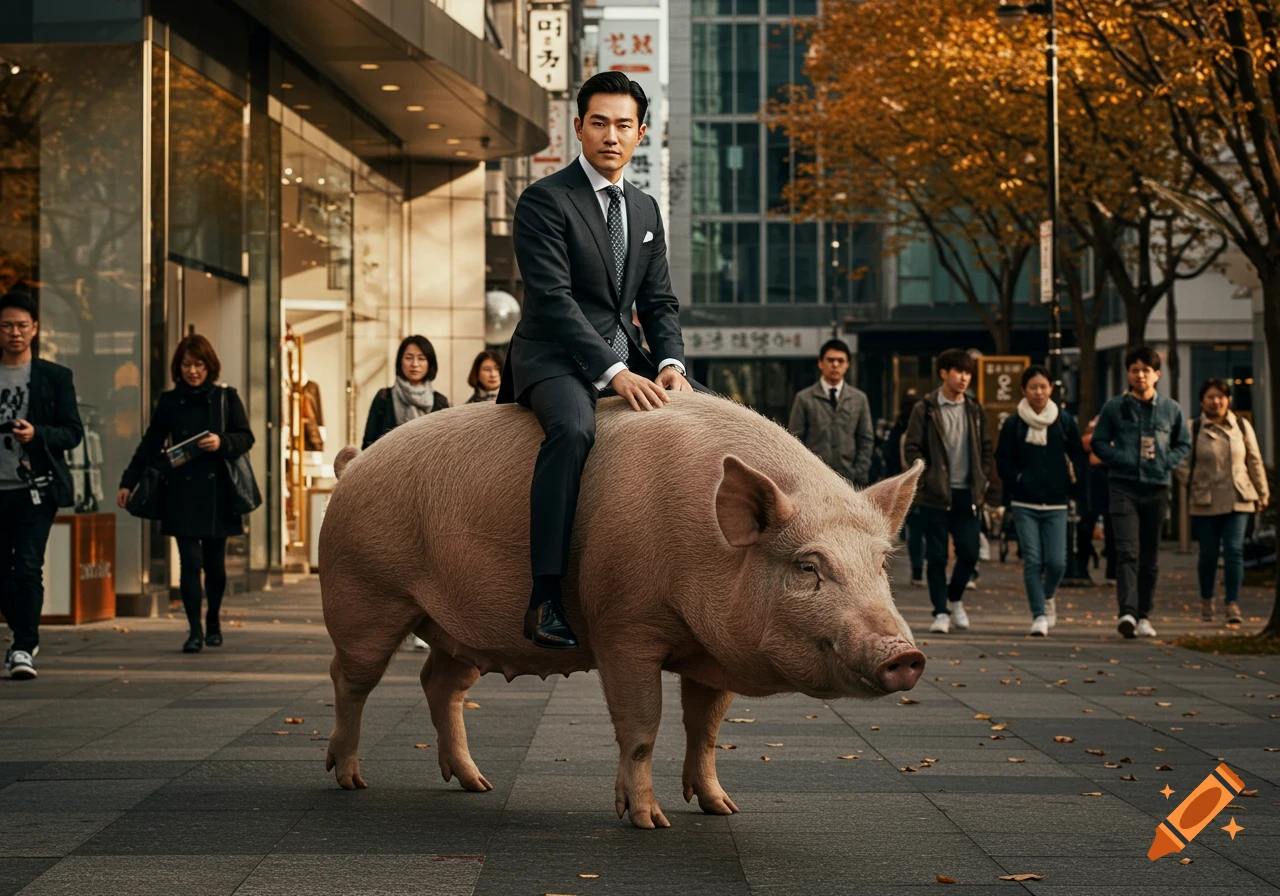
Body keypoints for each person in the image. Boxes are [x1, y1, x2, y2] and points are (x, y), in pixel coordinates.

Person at [498, 71, 701, 649]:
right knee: (573, 429)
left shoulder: (644, 208)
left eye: (623, 125)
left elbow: (658, 300)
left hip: (631, 352)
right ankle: (545, 597)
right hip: (554, 354)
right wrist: (613, 373)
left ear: (640, 133)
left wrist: (669, 364)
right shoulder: (543, 200)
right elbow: (555, 302)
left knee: (713, 414)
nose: (611, 135)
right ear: (579, 128)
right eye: (599, 123)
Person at [117, 335, 254, 654]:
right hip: (181, 492)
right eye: (187, 364)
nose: (193, 371)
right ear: (178, 368)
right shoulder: (169, 401)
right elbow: (150, 444)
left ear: (210, 366)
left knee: (215, 566)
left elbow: (246, 437)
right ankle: (194, 630)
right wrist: (128, 481)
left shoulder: (226, 397)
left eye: (199, 364)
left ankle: (214, 622)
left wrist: (222, 442)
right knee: (190, 562)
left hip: (219, 492)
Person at [0, 291, 83, 680]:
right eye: (7, 326)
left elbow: (72, 433)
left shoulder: (54, 377)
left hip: (37, 487)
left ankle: (22, 648)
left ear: (34, 329)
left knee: (28, 565)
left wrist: (37, 434)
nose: (14, 333)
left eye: (21, 325)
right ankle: (24, 634)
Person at [1091, 346, 1192, 639]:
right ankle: (1127, 612)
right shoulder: (1114, 407)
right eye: (1135, 370)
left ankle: (1145, 614)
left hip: (1156, 487)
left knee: (1150, 556)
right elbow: (1099, 443)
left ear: (1157, 374)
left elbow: (1183, 444)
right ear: (1128, 373)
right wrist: (1120, 457)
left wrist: (1165, 462)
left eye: (1146, 370)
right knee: (1127, 551)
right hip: (1122, 485)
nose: (1140, 375)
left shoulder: (1171, 409)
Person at [903, 348, 993, 634]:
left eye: (968, 372)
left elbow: (986, 448)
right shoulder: (926, 408)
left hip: (967, 492)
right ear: (944, 373)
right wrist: (928, 478)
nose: (964, 378)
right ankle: (940, 611)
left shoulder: (974, 410)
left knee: (969, 552)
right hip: (936, 494)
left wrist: (982, 479)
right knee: (938, 556)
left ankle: (955, 599)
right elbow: (912, 448)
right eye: (959, 372)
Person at [995, 365, 1084, 637]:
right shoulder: (1013, 423)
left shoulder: (1064, 421)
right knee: (1033, 559)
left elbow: (1078, 457)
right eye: (1033, 387)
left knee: (1057, 562)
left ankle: (1048, 596)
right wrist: (1020, 480)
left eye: (1043, 387)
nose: (1038, 392)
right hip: (1024, 503)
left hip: (1057, 502)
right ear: (1023, 390)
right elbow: (1003, 462)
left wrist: (1073, 488)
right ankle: (1039, 615)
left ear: (1051, 389)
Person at [1181, 377, 1269, 624]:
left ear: (1228, 399)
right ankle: (1207, 599)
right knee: (1208, 555)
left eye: (1221, 396)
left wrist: (1262, 492)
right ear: (1202, 401)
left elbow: (1254, 459)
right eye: (1210, 397)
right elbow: (1181, 462)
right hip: (1205, 500)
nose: (1216, 401)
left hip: (1238, 498)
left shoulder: (1241, 426)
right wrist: (1192, 482)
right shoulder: (1193, 428)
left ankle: (1232, 604)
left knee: (1234, 551)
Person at [787, 339, 875, 486]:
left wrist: (858, 473)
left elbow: (866, 439)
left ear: (847, 365)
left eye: (840, 361)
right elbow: (795, 439)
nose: (835, 365)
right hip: (814, 479)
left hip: (849, 479)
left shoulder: (859, 399)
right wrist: (803, 473)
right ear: (820, 363)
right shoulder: (804, 398)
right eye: (830, 360)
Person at [362, 335, 451, 449]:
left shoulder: (440, 402)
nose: (414, 364)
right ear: (400, 361)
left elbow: (446, 447)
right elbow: (368, 443)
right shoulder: (384, 397)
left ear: (430, 363)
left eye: (421, 358)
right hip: (389, 464)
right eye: (409, 358)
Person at [884, 391, 924, 586]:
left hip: (908, 483)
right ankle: (918, 568)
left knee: (916, 529)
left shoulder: (900, 430)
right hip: (910, 483)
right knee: (917, 528)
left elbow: (889, 457)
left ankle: (918, 569)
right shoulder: (913, 429)